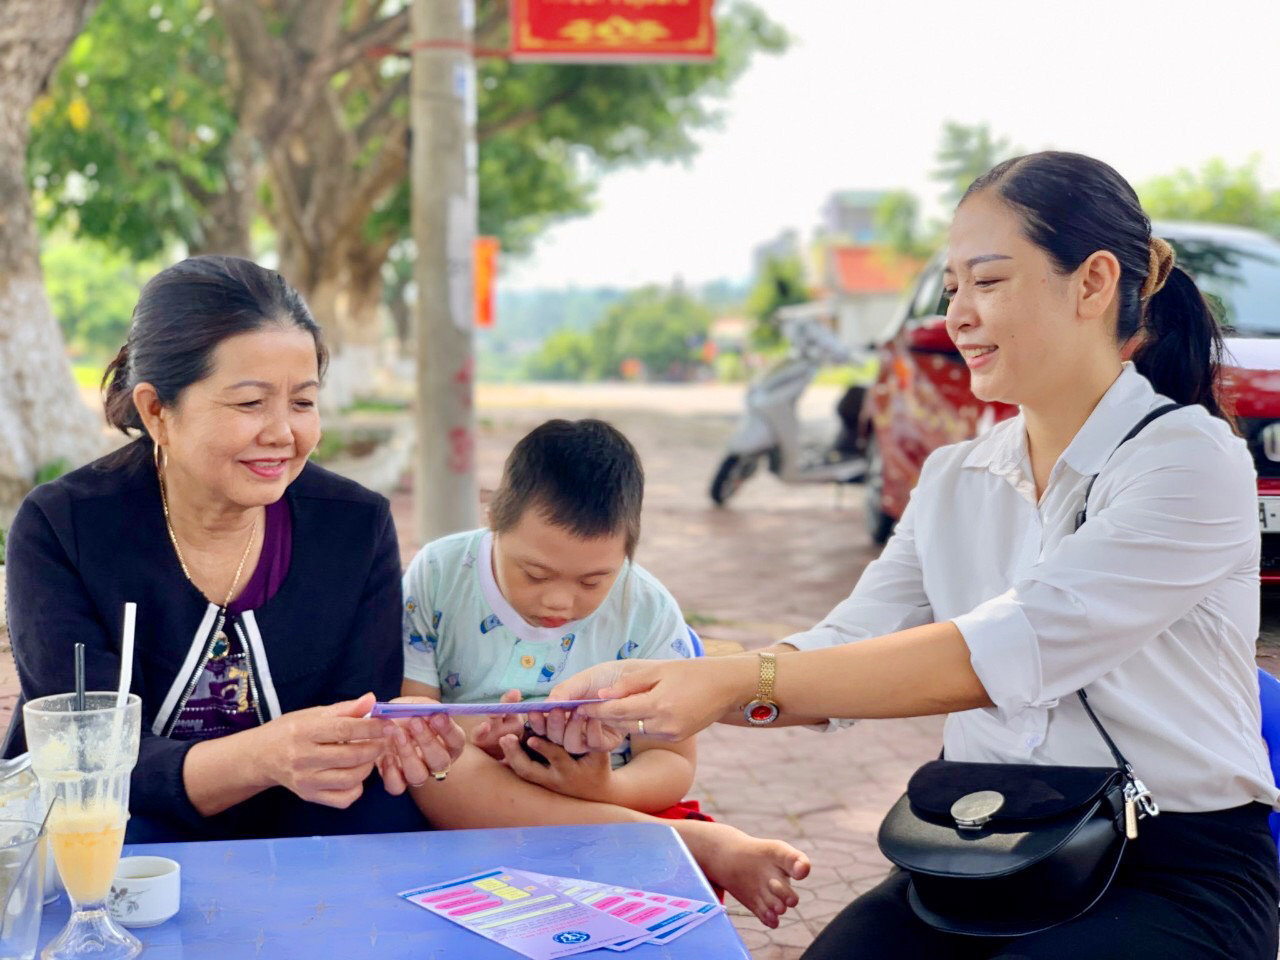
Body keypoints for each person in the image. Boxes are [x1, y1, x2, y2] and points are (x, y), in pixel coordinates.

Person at [540, 153, 1280, 959]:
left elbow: (1008, 647)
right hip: (992, 844)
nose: (958, 313)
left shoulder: (1188, 458)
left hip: (1174, 868)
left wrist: (728, 681)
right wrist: (659, 688)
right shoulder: (954, 476)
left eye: (988, 282)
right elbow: (845, 648)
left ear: (1093, 282)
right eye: (952, 286)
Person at [4, 255, 464, 843]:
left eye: (302, 402)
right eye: (250, 403)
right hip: (121, 817)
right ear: (156, 411)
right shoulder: (62, 526)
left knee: (382, 821)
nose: (283, 432)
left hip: (298, 814)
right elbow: (84, 756)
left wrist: (404, 746)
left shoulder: (355, 527)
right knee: (108, 835)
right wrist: (261, 757)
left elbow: (354, 725)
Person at [396, 418, 810, 928]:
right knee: (430, 765)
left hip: (606, 790)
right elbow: (417, 713)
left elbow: (672, 764)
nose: (559, 601)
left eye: (594, 580)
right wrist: (473, 738)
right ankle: (690, 845)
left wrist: (601, 790)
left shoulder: (648, 608)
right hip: (473, 782)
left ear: (628, 549)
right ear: (495, 519)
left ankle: (633, 830)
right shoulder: (438, 574)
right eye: (535, 573)